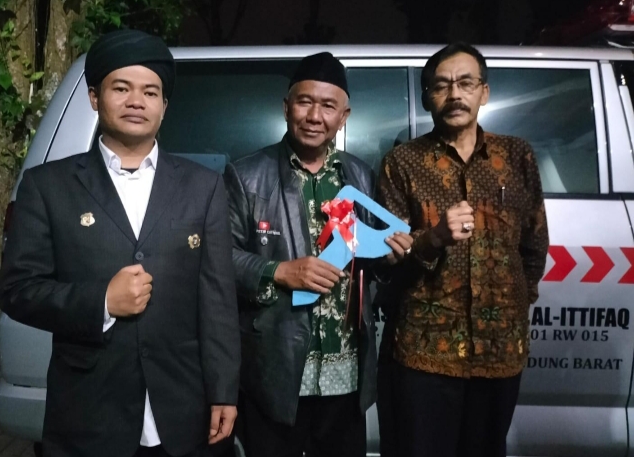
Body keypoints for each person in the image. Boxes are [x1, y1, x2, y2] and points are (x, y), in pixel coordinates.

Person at [0, 29, 240, 457]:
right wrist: (102, 302)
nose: (136, 101)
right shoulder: (48, 186)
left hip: (182, 410)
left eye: (150, 92)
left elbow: (218, 299)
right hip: (89, 412)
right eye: (121, 88)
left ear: (164, 106)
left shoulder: (202, 186)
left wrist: (224, 390)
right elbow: (17, 290)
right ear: (95, 97)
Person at [224, 51, 412, 457]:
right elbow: (219, 259)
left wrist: (390, 258)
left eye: (328, 106)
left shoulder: (359, 175)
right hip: (277, 372)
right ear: (286, 107)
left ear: (343, 117)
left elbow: (366, 261)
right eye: (305, 102)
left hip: (346, 375)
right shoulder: (246, 175)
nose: (314, 116)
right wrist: (278, 271)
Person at [376, 42, 550, 457]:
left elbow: (534, 243)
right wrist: (433, 237)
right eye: (441, 85)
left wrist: (514, 305)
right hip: (424, 351)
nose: (454, 94)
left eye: (466, 83)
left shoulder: (517, 156)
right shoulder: (401, 163)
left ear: (483, 92)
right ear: (427, 98)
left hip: (499, 348)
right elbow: (387, 260)